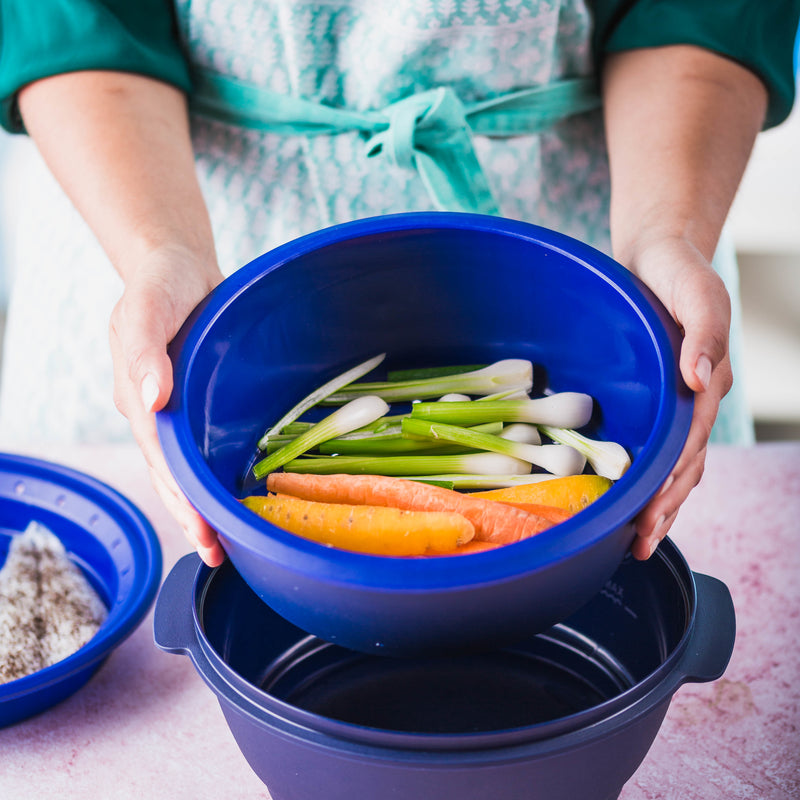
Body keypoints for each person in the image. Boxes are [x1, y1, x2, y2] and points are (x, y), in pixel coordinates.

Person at [0, 1, 797, 567]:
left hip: (591, 245)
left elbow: (697, 15)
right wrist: (158, 254)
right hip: (173, 219)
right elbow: (77, 21)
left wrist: (668, 235)